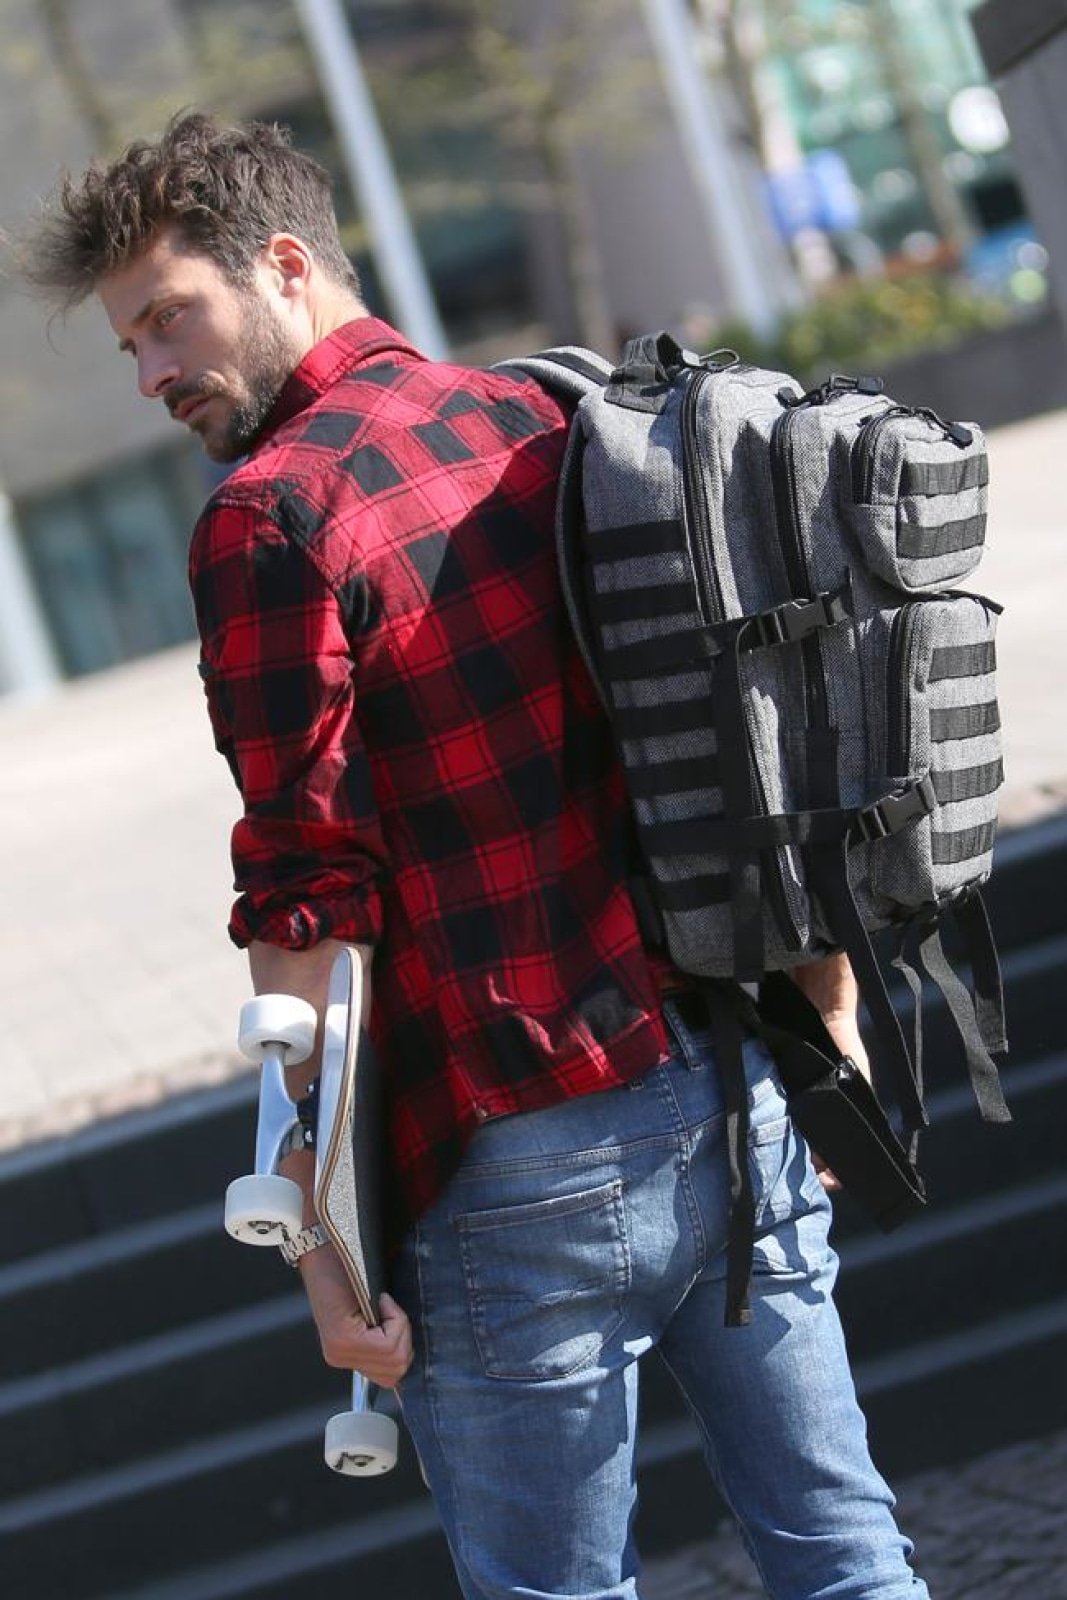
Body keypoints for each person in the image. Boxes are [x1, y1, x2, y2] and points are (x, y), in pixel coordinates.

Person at [26, 112, 930, 1600]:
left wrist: (322, 1244)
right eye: (127, 346)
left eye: (166, 318)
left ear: (288, 264)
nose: (152, 374)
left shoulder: (268, 519)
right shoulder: (548, 415)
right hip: (724, 1086)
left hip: (511, 1160)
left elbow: (306, 902)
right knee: (846, 1559)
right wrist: (824, 1026)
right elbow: (733, 748)